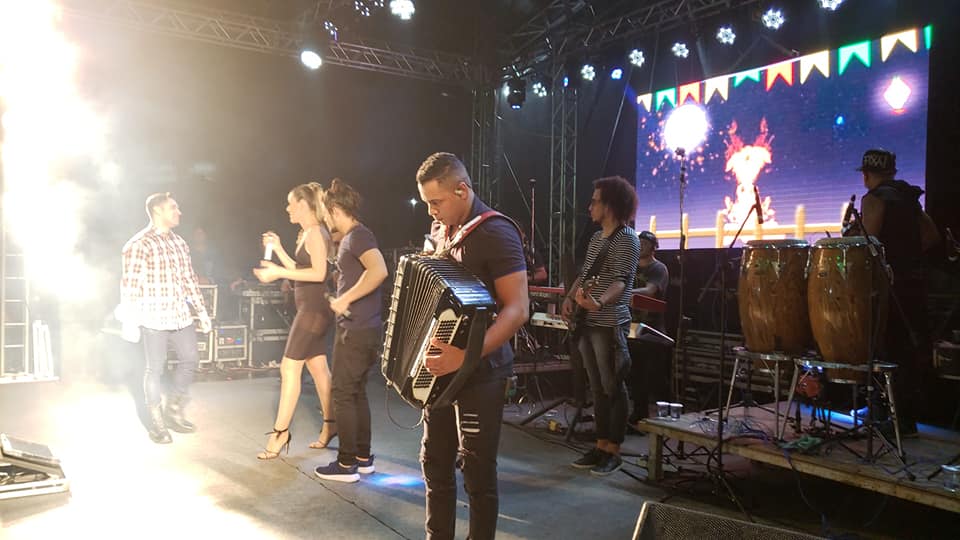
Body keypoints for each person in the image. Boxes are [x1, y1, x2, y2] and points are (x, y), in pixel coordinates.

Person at [416, 152, 529, 540]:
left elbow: (517, 309)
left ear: (462, 191)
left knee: (478, 474)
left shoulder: (496, 231)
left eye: (436, 202)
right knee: (435, 464)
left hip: (482, 372)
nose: (431, 211)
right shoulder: (442, 231)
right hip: (444, 371)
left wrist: (464, 356)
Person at [848, 149, 940, 435]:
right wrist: (906, 253)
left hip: (889, 285)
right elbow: (932, 236)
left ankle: (893, 418)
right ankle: (898, 414)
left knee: (886, 347)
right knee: (907, 350)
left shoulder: (873, 199)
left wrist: (853, 236)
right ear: (892, 171)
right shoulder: (908, 197)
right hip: (914, 283)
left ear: (866, 175)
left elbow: (869, 242)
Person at [252, 182, 338, 459]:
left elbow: (319, 274)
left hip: (313, 311)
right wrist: (278, 250)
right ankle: (331, 425)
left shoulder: (315, 232)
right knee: (319, 369)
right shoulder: (307, 233)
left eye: (291, 203)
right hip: (312, 309)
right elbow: (299, 269)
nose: (287, 208)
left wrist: (277, 272)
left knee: (289, 368)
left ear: (302, 204)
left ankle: (280, 433)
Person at [119, 193, 212, 444]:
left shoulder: (179, 242)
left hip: (180, 315)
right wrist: (129, 319)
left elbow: (189, 279)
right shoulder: (139, 244)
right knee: (155, 369)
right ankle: (157, 423)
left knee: (190, 359)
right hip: (154, 317)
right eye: (173, 208)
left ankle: (173, 410)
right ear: (158, 211)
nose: (179, 212)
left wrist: (201, 311)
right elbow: (130, 285)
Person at [562, 176, 640, 476]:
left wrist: (599, 302)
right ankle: (600, 444)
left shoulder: (627, 238)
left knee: (612, 385)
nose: (590, 206)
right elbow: (585, 274)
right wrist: (570, 297)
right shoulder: (597, 239)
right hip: (587, 321)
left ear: (609, 205)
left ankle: (613, 450)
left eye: (595, 201)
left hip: (607, 322)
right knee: (596, 387)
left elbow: (622, 281)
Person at [313, 179, 388, 483]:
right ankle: (362, 458)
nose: (325, 220)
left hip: (357, 329)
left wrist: (345, 298)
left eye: (325, 214)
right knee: (355, 392)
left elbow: (379, 270)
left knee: (343, 393)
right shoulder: (352, 237)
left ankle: (346, 464)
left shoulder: (358, 236)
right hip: (363, 327)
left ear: (334, 209)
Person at [627, 230, 670, 427]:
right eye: (639, 242)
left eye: (645, 243)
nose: (641, 245)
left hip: (653, 330)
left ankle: (667, 418)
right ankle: (639, 415)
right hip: (632, 328)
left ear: (654, 247)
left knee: (656, 376)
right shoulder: (631, 266)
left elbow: (650, 291)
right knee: (636, 375)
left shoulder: (658, 268)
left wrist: (622, 292)